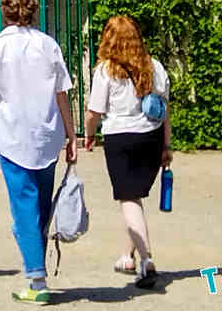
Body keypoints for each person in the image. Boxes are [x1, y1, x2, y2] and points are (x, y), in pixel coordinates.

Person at [0, 0, 78, 305]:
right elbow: (62, 94)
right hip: (47, 136)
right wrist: (72, 135)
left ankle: (37, 279)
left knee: (24, 211)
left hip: (13, 136)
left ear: (4, 11)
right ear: (33, 10)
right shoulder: (49, 45)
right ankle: (36, 270)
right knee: (41, 209)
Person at [83, 16, 172, 290]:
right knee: (134, 199)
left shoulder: (105, 70)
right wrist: (167, 146)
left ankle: (146, 260)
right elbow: (165, 110)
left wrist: (88, 134)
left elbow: (94, 112)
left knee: (129, 199)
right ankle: (127, 256)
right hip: (152, 137)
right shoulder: (154, 66)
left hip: (121, 137)